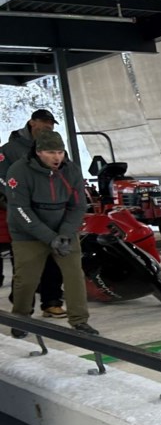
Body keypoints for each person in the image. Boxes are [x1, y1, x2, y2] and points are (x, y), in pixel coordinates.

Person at [6, 130, 98, 336]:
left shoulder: (71, 170)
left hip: (63, 231)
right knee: (26, 279)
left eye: (60, 152)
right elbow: (20, 209)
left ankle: (79, 321)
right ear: (38, 152)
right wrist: (49, 238)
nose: (57, 157)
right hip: (28, 233)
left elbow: (78, 206)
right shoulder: (19, 171)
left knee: (74, 274)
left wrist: (65, 233)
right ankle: (21, 318)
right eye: (50, 152)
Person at [0, 109, 66, 318]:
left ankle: (51, 301)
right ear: (32, 123)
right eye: (45, 122)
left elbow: (63, 175)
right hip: (21, 213)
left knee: (53, 256)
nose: (49, 126)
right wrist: (15, 198)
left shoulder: (54, 149)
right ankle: (22, 306)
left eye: (51, 123)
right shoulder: (9, 150)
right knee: (25, 261)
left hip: (50, 212)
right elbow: (2, 179)